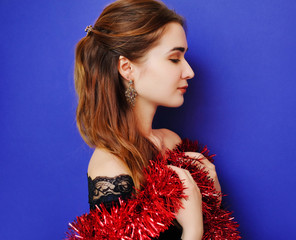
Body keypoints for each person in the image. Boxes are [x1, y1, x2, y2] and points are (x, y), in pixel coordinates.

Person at [67, 0, 238, 239]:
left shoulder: (172, 142)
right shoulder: (111, 167)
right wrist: (192, 230)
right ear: (127, 68)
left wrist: (211, 202)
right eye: (175, 59)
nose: (189, 71)